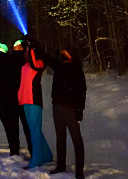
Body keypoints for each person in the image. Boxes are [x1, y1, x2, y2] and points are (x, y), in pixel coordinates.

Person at [35, 45, 87, 178]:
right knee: (60, 137)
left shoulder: (77, 70)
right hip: (57, 107)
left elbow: (82, 91)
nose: (63, 55)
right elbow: (45, 56)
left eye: (66, 53)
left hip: (72, 109)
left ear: (72, 55)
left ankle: (79, 172)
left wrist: (80, 109)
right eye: (62, 53)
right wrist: (34, 45)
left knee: (76, 139)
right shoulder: (59, 65)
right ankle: (61, 165)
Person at [19, 37, 53, 169]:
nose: (25, 52)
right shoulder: (25, 66)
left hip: (34, 101)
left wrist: (32, 47)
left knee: (35, 131)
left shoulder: (39, 64)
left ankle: (37, 160)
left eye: (27, 50)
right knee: (35, 130)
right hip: (26, 101)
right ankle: (47, 155)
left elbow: (34, 63)